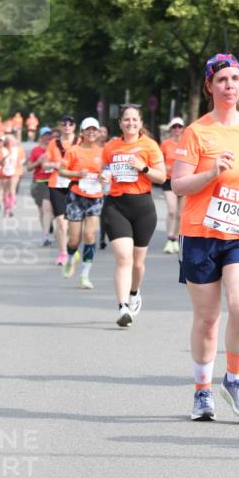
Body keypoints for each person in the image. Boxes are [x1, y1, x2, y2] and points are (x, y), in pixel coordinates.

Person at [171, 52, 239, 421]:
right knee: (208, 318)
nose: (229, 86)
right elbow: (179, 184)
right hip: (201, 232)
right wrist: (212, 172)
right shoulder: (197, 132)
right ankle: (202, 391)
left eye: (234, 79)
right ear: (210, 86)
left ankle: (234, 379)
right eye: (221, 80)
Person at [101, 105, 166, 325]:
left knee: (138, 262)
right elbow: (104, 169)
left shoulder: (149, 145)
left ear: (140, 123)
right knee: (123, 258)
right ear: (119, 123)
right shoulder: (111, 146)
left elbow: (161, 177)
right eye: (126, 120)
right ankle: (122, 308)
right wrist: (103, 178)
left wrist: (143, 168)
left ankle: (134, 292)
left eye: (134, 120)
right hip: (116, 206)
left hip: (143, 208)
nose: (130, 123)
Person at [58, 117, 105, 288]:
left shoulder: (103, 151)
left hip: (96, 196)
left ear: (98, 132)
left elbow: (108, 172)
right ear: (82, 132)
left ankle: (85, 276)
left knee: (90, 236)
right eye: (88, 129)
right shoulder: (73, 151)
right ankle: (71, 258)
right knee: (74, 239)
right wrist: (78, 174)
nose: (91, 132)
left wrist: (104, 177)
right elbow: (62, 171)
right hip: (76, 196)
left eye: (95, 129)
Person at [43, 116, 77, 266]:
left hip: (75, 183)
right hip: (56, 184)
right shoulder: (53, 143)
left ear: (75, 126)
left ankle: (69, 244)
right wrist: (55, 164)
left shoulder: (80, 142)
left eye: (70, 124)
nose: (67, 126)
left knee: (72, 223)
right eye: (64, 124)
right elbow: (44, 165)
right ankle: (63, 253)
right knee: (61, 223)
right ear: (61, 126)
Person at [160, 116, 185, 253]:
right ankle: (170, 237)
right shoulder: (165, 144)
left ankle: (175, 238)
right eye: (174, 127)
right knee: (171, 210)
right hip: (169, 180)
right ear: (171, 129)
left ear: (183, 129)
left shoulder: (186, 143)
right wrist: (165, 167)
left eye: (179, 127)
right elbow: (158, 160)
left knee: (181, 214)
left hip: (183, 179)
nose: (176, 129)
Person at [27, 127, 53, 246]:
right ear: (41, 137)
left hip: (51, 181)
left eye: (49, 135)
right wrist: (38, 162)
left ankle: (45, 236)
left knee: (47, 208)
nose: (47, 137)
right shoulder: (35, 150)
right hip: (38, 182)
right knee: (42, 210)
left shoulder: (54, 149)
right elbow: (28, 168)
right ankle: (46, 231)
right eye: (45, 135)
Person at [0, 134, 26, 217]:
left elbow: (22, 161)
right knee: (5, 191)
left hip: (15, 172)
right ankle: (6, 207)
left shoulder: (19, 150)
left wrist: (17, 165)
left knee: (12, 189)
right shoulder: (2, 150)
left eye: (12, 140)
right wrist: (4, 159)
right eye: (8, 140)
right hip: (4, 172)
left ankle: (11, 208)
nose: (10, 142)